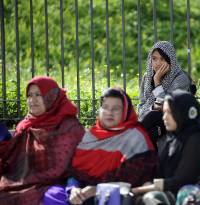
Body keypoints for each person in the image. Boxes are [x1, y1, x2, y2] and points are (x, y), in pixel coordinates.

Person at [44, 87, 157, 205]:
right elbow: (74, 172)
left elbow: (135, 179)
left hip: (116, 193)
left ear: (125, 112)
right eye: (105, 107)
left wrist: (97, 189)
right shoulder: (89, 136)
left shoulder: (136, 136)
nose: (109, 112)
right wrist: (73, 189)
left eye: (116, 108)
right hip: (82, 193)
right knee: (52, 194)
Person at [0, 76, 85, 205]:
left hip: (59, 184)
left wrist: (73, 186)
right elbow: (13, 160)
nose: (32, 100)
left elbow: (80, 165)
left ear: (51, 97)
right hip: (21, 183)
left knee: (57, 197)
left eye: (38, 95)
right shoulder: (24, 126)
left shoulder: (69, 127)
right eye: (29, 95)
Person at [132, 90, 200, 205]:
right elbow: (159, 172)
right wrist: (147, 183)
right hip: (171, 191)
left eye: (170, 112)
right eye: (164, 112)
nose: (164, 117)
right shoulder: (173, 138)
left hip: (189, 196)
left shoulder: (197, 139)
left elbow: (183, 180)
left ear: (183, 112)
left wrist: (143, 189)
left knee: (150, 198)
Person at [138, 41, 192, 150]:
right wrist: (150, 109)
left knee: (151, 117)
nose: (157, 63)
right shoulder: (147, 77)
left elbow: (167, 105)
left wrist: (157, 82)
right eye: (154, 58)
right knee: (150, 132)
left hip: (174, 120)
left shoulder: (181, 78)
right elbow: (141, 105)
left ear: (170, 60)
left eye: (162, 59)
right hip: (151, 122)